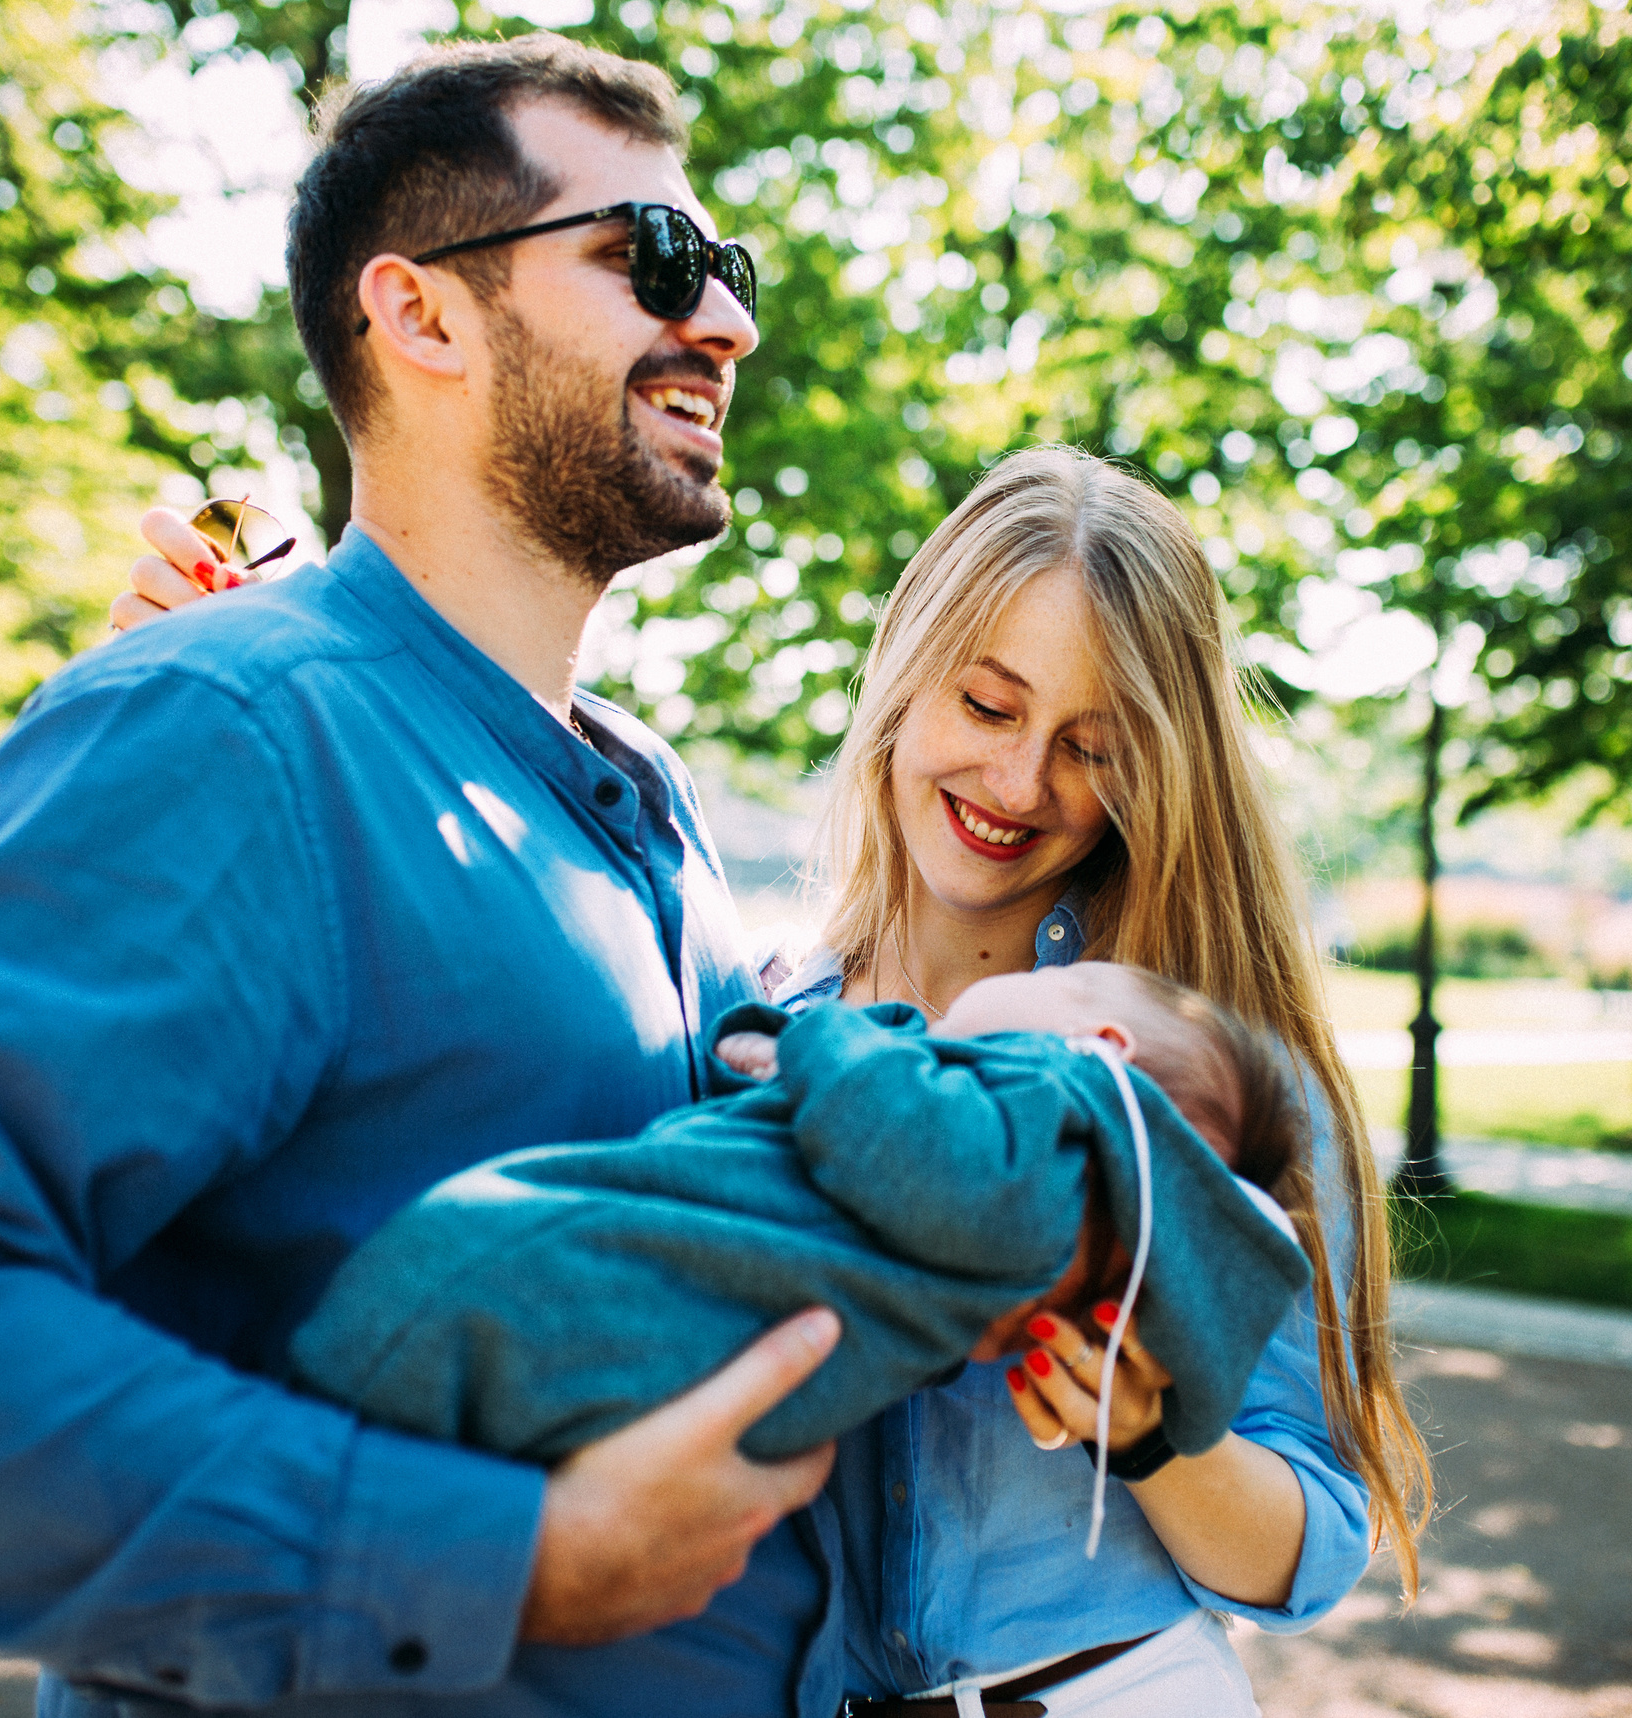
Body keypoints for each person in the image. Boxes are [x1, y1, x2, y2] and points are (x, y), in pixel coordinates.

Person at [0, 36, 875, 1718]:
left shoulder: (644, 785)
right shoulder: (221, 726)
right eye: (649, 258)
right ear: (424, 314)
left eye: (726, 270)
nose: (727, 322)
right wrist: (505, 1556)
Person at [118, 446, 1431, 1715]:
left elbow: (1309, 1546)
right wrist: (254, 660)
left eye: (1092, 745)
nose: (1020, 780)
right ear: (908, 674)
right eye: (988, 704)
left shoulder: (1183, 1082)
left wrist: (1149, 1435)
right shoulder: (759, 1026)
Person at [290, 964, 1311, 1483]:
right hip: (644, 1329)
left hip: (554, 1283)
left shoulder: (1037, 1160)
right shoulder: (1010, 1181)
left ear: (1095, 1044)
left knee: (437, 1312)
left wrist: (825, 1029)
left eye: (1050, 982)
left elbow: (905, 1140)